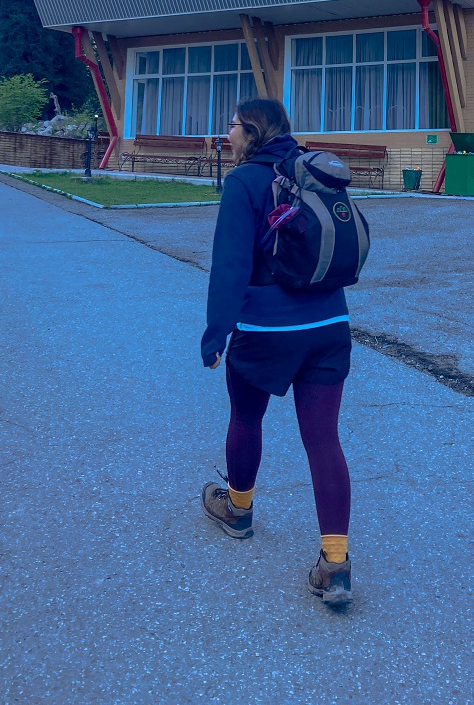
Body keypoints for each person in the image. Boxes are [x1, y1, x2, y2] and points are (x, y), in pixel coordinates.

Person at [199, 98, 354, 606]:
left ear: (252, 132)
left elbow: (230, 266)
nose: (227, 135)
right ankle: (335, 566)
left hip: (265, 327)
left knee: (246, 417)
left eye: (232, 126)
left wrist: (215, 332)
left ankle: (238, 510)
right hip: (330, 321)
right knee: (323, 440)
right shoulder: (311, 169)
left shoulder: (244, 183)